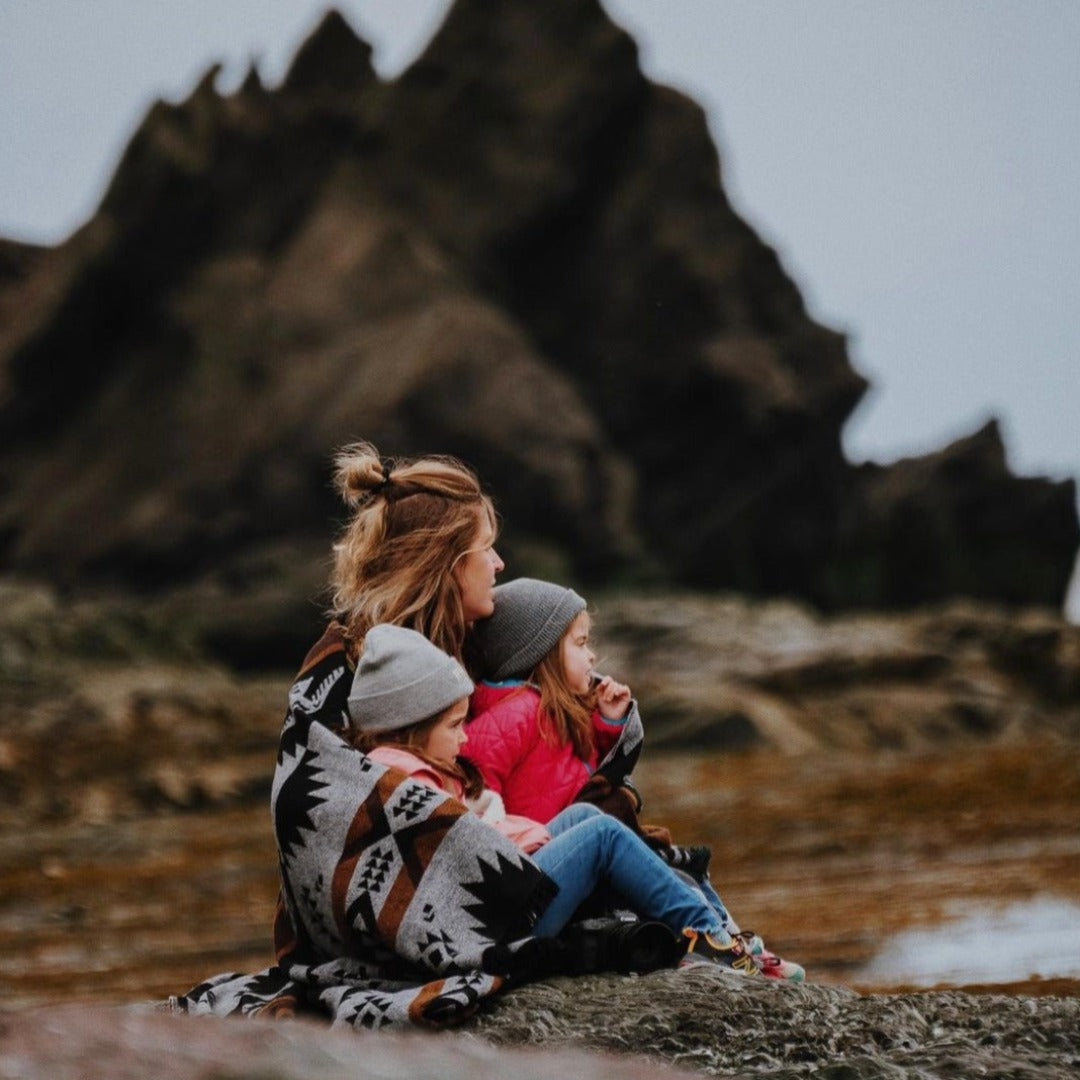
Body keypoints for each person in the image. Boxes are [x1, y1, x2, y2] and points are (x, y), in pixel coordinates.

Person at [345, 623, 764, 974]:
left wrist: (527, 832)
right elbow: (461, 864)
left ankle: (710, 933)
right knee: (601, 834)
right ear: (411, 726)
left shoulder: (401, 768)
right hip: (495, 927)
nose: (465, 736)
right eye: (455, 725)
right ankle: (713, 939)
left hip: (498, 903)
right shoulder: (405, 779)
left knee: (583, 814)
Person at [466, 577, 805, 981]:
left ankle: (730, 940)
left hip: (546, 869)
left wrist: (609, 723)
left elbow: (579, 773)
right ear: (537, 650)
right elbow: (477, 810)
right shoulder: (511, 716)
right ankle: (713, 939)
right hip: (519, 893)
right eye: (579, 644)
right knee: (609, 835)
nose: (592, 656)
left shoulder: (548, 711)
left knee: (671, 862)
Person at [286, 440, 505, 736]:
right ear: (441, 564)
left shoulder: (495, 646)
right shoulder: (347, 677)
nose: (498, 563)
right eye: (486, 547)